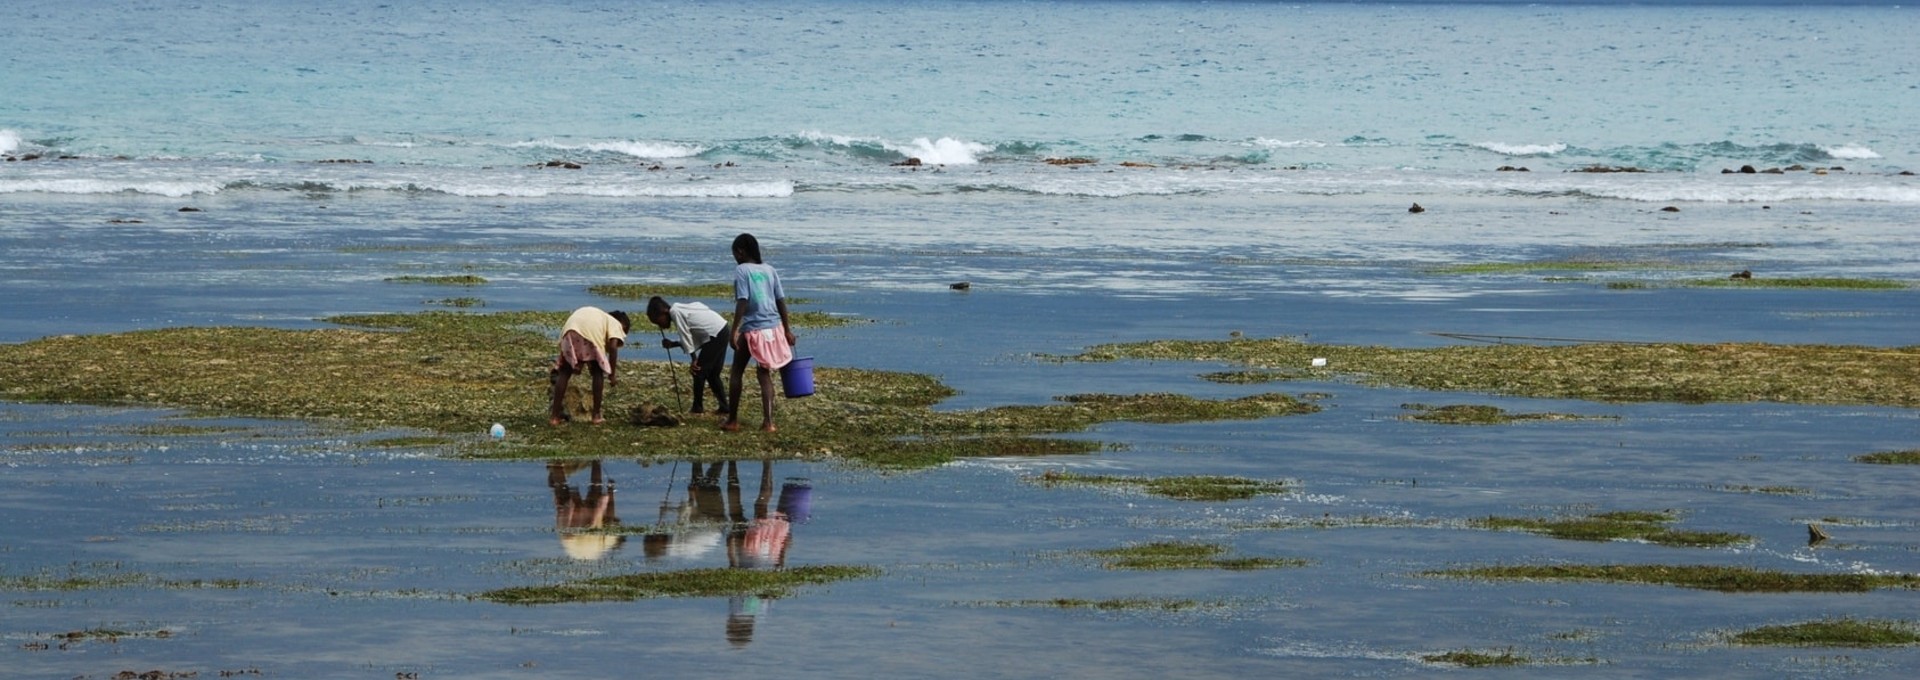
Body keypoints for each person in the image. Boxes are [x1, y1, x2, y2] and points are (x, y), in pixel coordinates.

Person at [721, 233, 796, 433]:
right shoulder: (769, 270)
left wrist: (734, 330)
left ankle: (733, 420)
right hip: (773, 327)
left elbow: (743, 301)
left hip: (753, 328)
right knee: (764, 374)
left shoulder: (741, 270)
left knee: (737, 371)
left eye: (735, 253)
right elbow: (780, 300)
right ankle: (768, 422)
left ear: (740, 251)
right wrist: (787, 330)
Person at [647, 296, 729, 414]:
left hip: (716, 334)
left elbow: (685, 335)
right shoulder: (681, 309)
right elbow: (696, 336)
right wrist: (673, 344)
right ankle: (724, 407)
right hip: (721, 329)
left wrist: (694, 359)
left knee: (698, 372)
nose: (660, 326)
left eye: (658, 321)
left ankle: (697, 407)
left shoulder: (675, 312)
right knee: (713, 374)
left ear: (664, 312)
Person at [549, 306, 630, 426]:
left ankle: (554, 417)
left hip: (569, 330)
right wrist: (612, 374)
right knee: (597, 371)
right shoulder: (616, 323)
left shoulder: (600, 318)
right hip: (589, 333)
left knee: (565, 372)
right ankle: (596, 415)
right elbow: (612, 347)